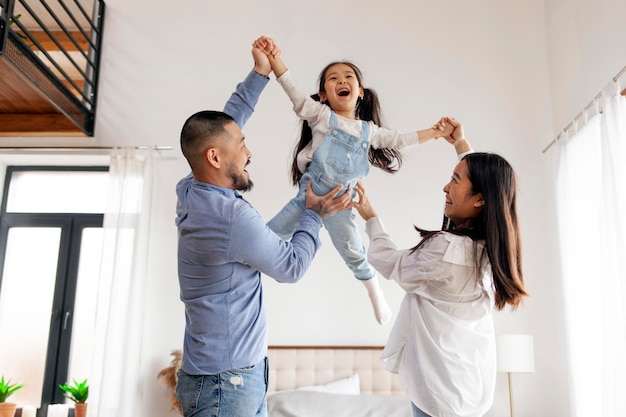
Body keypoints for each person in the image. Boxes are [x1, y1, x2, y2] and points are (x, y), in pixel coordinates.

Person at [174, 44, 352, 417]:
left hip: (228, 376)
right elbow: (290, 267)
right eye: (243, 146)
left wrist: (259, 74)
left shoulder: (191, 188)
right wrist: (314, 214)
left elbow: (224, 127)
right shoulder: (230, 219)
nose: (249, 152)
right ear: (215, 159)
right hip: (227, 384)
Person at [253, 35, 453, 325]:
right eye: (333, 79)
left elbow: (400, 139)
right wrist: (273, 59)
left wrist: (434, 132)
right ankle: (244, 272)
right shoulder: (320, 116)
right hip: (309, 196)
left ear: (360, 92)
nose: (341, 80)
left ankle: (373, 289)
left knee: (353, 250)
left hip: (340, 202)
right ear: (323, 95)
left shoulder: (368, 132)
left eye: (348, 77)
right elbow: (293, 90)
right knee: (270, 234)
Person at [351, 117, 528, 417]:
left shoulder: (447, 250)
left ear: (480, 200)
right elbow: (484, 186)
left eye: (455, 181)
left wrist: (371, 217)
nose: (446, 187)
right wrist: (461, 144)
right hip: (469, 389)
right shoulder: (494, 248)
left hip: (440, 394)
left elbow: (390, 262)